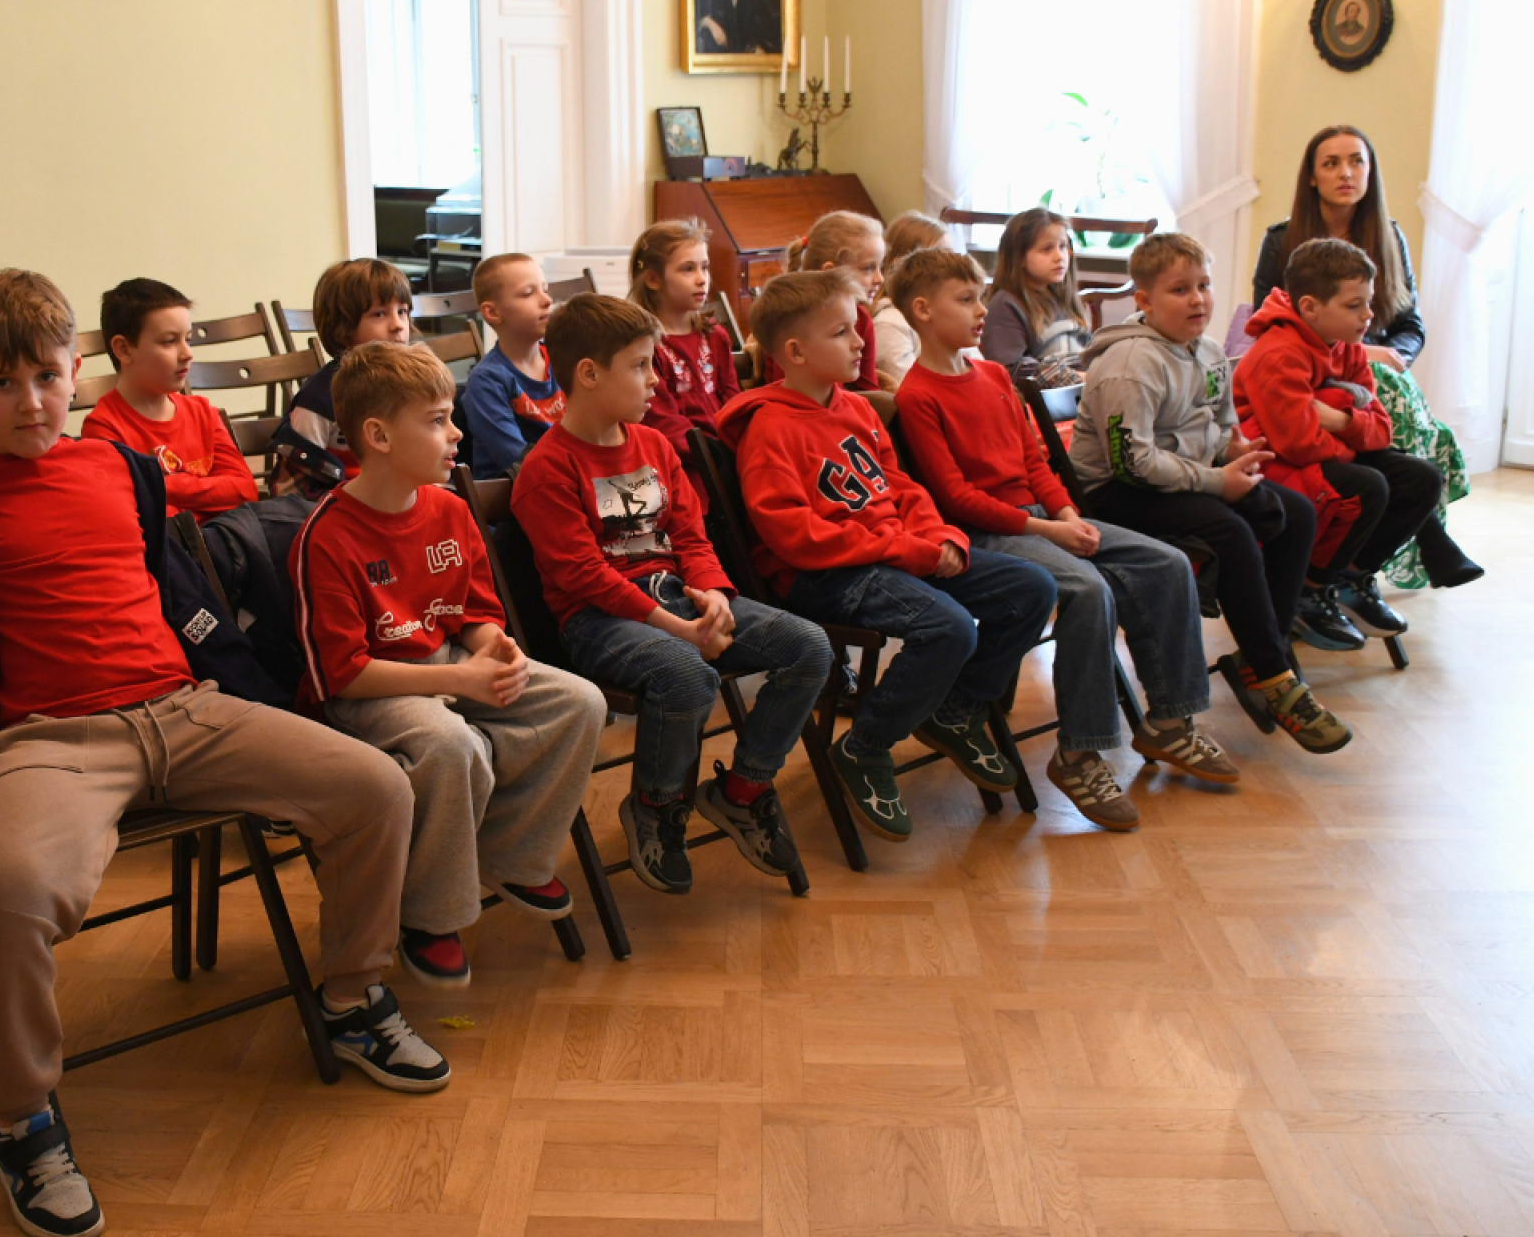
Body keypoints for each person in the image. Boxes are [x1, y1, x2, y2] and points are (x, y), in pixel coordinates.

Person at [0, 268, 446, 1237]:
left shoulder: (120, 471)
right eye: (2, 384)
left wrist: (247, 695)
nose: (30, 402)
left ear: (76, 372)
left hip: (181, 710)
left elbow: (187, 602)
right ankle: (23, 1117)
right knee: (7, 891)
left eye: (47, 378)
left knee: (375, 785)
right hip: (47, 739)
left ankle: (351, 996)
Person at [892, 248, 1236, 832]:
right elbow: (956, 498)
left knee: (1168, 563)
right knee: (1087, 590)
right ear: (923, 311)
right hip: (987, 532)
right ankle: (1079, 754)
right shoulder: (917, 395)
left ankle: (1170, 722)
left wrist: (1067, 514)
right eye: (966, 299)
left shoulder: (994, 376)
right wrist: (1049, 529)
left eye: (980, 297)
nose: (981, 310)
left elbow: (1035, 462)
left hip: (1041, 517)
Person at [291, 342, 602, 986]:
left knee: (579, 702)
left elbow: (476, 613)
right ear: (378, 436)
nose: (456, 432)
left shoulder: (450, 509)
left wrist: (494, 648)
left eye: (450, 415)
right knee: (451, 743)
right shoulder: (327, 535)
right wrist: (460, 678)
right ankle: (429, 914)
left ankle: (509, 854)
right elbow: (343, 674)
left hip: (448, 659)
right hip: (371, 691)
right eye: (436, 420)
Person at [714, 270, 1056, 842]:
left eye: (857, 329)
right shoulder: (769, 427)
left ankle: (954, 709)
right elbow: (794, 535)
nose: (860, 342)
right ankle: (865, 745)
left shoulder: (857, 408)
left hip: (890, 555)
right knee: (947, 628)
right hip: (824, 574)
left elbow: (900, 487)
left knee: (1032, 588)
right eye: (842, 333)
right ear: (795, 352)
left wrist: (941, 537)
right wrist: (908, 550)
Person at [512, 295, 832, 891]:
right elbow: (585, 576)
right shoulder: (546, 469)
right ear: (589, 374)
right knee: (687, 675)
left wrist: (712, 593)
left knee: (808, 646)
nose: (655, 380)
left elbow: (690, 534)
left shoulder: (654, 446)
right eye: (640, 366)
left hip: (681, 596)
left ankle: (743, 789)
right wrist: (677, 628)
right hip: (600, 619)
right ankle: (656, 804)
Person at [1070, 233, 1352, 754]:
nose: (1198, 299)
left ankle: (1259, 654)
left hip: (1178, 476)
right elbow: (1132, 464)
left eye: (1204, 285)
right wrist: (1219, 482)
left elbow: (1219, 424)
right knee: (1231, 531)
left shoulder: (1209, 351)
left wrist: (1233, 450)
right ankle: (1275, 677)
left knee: (1294, 512)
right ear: (1144, 300)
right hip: (1114, 490)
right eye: (1180, 290)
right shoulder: (1131, 365)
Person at [1251, 124, 1481, 589]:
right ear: (1311, 176)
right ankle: (1428, 541)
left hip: (1371, 369)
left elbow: (1410, 325)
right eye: (1331, 163)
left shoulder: (1389, 235)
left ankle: (1356, 572)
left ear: (1370, 172)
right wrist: (1359, 356)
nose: (1346, 173)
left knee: (1393, 403)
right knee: (1384, 426)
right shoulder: (1282, 238)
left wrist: (1388, 356)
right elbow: (1269, 321)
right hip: (1312, 371)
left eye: (1357, 161)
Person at [1235, 237, 1444, 650]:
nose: (1368, 315)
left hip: (1314, 455)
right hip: (1274, 466)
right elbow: (1297, 445)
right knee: (1368, 484)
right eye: (1354, 305)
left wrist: (1336, 418)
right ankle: (1310, 590)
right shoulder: (1279, 352)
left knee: (1422, 478)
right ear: (1310, 307)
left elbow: (1381, 429)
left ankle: (1350, 579)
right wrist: (1354, 433)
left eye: (1368, 302)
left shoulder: (1347, 345)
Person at [79, 277, 258, 518]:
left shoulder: (202, 412)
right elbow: (140, 513)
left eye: (188, 339)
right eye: (169, 341)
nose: (187, 354)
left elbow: (245, 490)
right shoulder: (104, 428)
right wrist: (210, 492)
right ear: (123, 349)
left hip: (227, 537)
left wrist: (163, 485)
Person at [289, 258, 413, 481]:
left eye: (402, 311)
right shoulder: (318, 399)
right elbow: (299, 481)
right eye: (379, 314)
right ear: (343, 327)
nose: (398, 325)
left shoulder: (413, 385)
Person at [627, 219, 741, 461]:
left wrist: (738, 444)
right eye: (688, 269)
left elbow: (733, 401)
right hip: (683, 461)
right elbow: (663, 422)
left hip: (725, 453)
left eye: (705, 267)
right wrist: (712, 456)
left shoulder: (715, 336)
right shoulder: (646, 347)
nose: (702, 279)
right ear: (653, 280)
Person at [757, 211, 884, 392]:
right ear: (830, 272)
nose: (880, 278)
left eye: (880, 267)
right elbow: (794, 393)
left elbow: (868, 391)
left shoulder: (862, 318)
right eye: (868, 268)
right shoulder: (794, 320)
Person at [463, 252, 564, 478]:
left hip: (567, 477)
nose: (547, 300)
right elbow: (516, 459)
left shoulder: (564, 358)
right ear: (493, 312)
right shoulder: (487, 381)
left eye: (545, 289)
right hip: (515, 489)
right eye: (528, 293)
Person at [981, 207, 1092, 386]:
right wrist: (1079, 378)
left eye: (1063, 246)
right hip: (1045, 397)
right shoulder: (1005, 305)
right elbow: (1010, 370)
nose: (1059, 257)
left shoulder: (1062, 298)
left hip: (1082, 388)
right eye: (1047, 249)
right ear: (1019, 257)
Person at [869, 211, 953, 387]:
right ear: (901, 266)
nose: (951, 270)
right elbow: (910, 387)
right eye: (938, 259)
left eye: (951, 257)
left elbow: (976, 368)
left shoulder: (948, 314)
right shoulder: (890, 324)